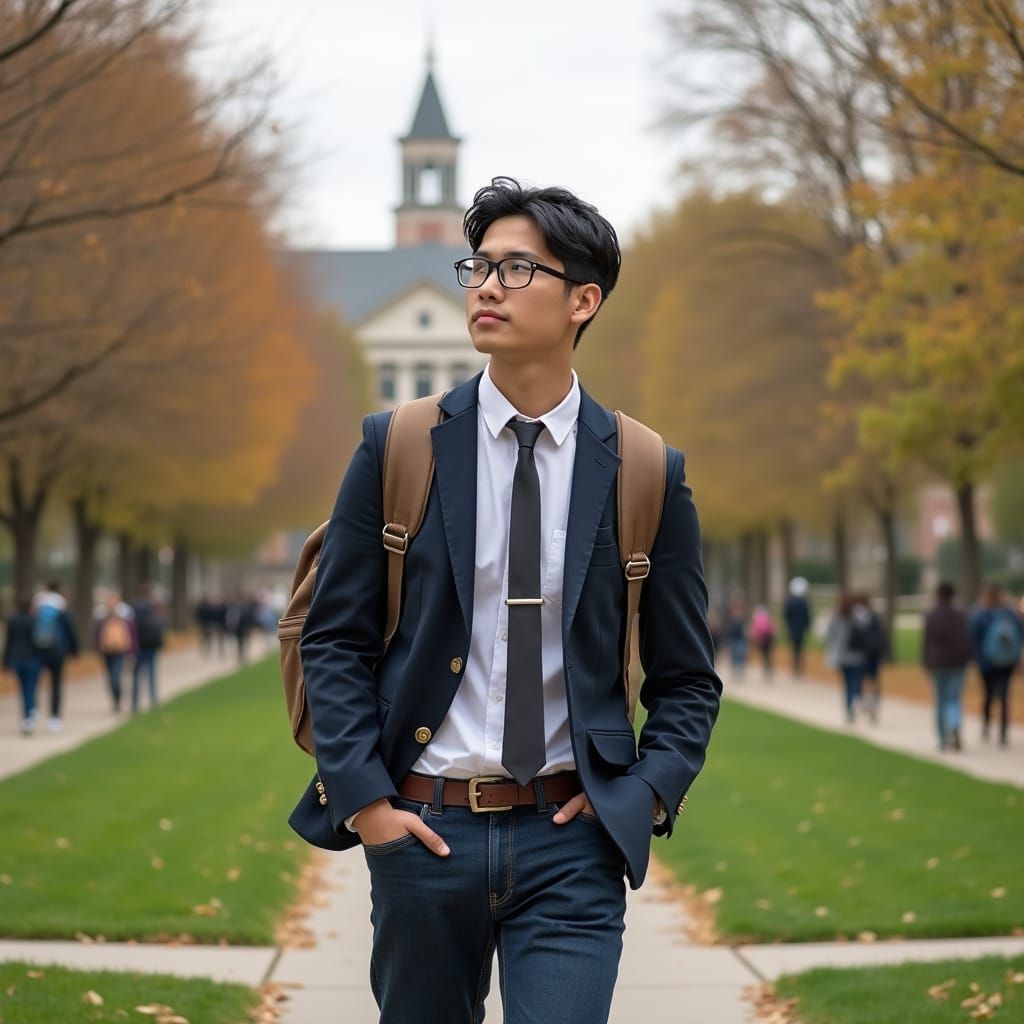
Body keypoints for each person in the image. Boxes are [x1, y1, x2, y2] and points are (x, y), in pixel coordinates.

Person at [293, 177, 722, 1024]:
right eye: (479, 267)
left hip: (572, 845)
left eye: (519, 269)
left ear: (583, 300)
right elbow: (334, 640)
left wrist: (642, 798)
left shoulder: (645, 470)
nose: (487, 286)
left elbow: (688, 679)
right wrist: (369, 805)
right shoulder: (397, 447)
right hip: (424, 833)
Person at [970, 583, 1023, 747]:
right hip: (1007, 661)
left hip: (987, 662)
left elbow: (973, 638)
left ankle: (986, 725)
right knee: (1004, 695)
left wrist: (977, 659)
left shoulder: (980, 614)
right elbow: (1020, 635)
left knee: (988, 694)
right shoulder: (1009, 614)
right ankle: (1003, 732)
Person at [923, 581, 973, 751]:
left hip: (938, 662)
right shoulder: (960, 615)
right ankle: (954, 724)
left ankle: (943, 739)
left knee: (941, 700)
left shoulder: (931, 615)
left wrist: (926, 662)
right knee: (954, 699)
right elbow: (967, 640)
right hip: (957, 662)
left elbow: (927, 642)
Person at [31, 581, 79, 731]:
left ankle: (33, 710)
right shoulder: (62, 606)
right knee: (56, 683)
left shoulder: (38, 604)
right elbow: (70, 630)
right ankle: (54, 717)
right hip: (57, 651)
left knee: (35, 681)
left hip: (38, 650)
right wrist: (74, 650)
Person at [825, 591, 871, 723]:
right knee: (856, 682)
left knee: (847, 685)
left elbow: (829, 636)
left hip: (842, 656)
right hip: (857, 656)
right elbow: (866, 630)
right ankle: (857, 701)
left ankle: (849, 709)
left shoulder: (835, 616)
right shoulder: (858, 615)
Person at [3, 596, 43, 734]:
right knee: (30, 688)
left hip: (17, 659)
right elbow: (38, 641)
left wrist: (6, 663)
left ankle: (27, 715)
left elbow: (8, 643)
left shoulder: (12, 621)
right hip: (32, 659)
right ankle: (29, 715)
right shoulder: (34, 621)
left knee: (23, 689)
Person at [94, 592, 137, 712]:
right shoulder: (101, 614)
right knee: (110, 677)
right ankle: (115, 700)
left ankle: (118, 699)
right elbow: (97, 634)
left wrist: (132, 650)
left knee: (116, 677)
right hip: (107, 651)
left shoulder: (125, 613)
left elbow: (132, 634)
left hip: (120, 651)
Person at [131, 585, 166, 712]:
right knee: (151, 672)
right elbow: (158, 626)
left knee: (137, 674)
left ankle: (135, 702)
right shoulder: (153, 608)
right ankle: (152, 698)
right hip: (150, 644)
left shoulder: (133, 609)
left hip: (138, 645)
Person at [858, 594, 889, 724]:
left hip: (862, 655)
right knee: (875, 680)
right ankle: (874, 705)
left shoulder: (858, 617)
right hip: (874, 655)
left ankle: (867, 703)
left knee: (864, 680)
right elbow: (882, 636)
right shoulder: (875, 617)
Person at [783, 576, 811, 676]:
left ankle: (795, 667)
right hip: (801, 629)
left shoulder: (789, 602)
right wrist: (808, 626)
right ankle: (799, 667)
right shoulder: (804, 602)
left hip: (792, 628)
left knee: (795, 648)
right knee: (800, 648)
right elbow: (807, 616)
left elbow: (786, 615)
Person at [724, 593, 748, 680]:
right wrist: (727, 642)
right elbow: (727, 631)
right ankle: (734, 673)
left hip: (741, 639)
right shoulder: (730, 618)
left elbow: (744, 628)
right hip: (733, 639)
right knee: (734, 656)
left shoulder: (741, 616)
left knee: (741, 655)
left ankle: (740, 673)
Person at [750, 604, 777, 679]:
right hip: (769, 639)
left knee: (765, 655)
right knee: (768, 655)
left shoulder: (757, 618)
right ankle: (768, 670)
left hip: (763, 640)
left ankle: (766, 669)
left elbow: (754, 630)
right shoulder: (768, 618)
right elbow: (773, 629)